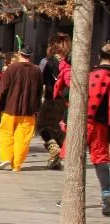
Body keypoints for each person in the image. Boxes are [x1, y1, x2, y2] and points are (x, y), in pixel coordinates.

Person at [0, 50, 43, 171]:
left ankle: (6, 157)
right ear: (30, 56)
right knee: (23, 137)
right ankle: (17, 164)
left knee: (6, 133)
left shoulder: (12, 68)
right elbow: (39, 91)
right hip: (28, 111)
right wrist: (37, 108)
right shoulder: (37, 70)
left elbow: (2, 88)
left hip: (10, 108)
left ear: (20, 54)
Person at [37, 34, 70, 170]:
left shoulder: (49, 62)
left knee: (42, 127)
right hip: (66, 102)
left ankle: (53, 149)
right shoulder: (70, 61)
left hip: (51, 99)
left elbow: (43, 81)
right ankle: (56, 160)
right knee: (59, 130)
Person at [84, 44, 110, 214]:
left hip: (86, 121)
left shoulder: (91, 75)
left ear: (99, 56)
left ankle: (72, 194)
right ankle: (107, 192)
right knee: (100, 158)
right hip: (103, 124)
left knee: (75, 156)